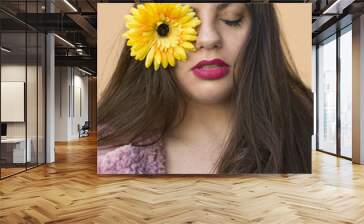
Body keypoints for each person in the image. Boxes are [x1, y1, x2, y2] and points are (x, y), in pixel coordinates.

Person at [97, 3, 313, 174]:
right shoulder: (108, 158)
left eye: (232, 19)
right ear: (151, 35)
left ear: (259, 32)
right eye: (187, 20)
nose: (208, 39)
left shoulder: (308, 136)